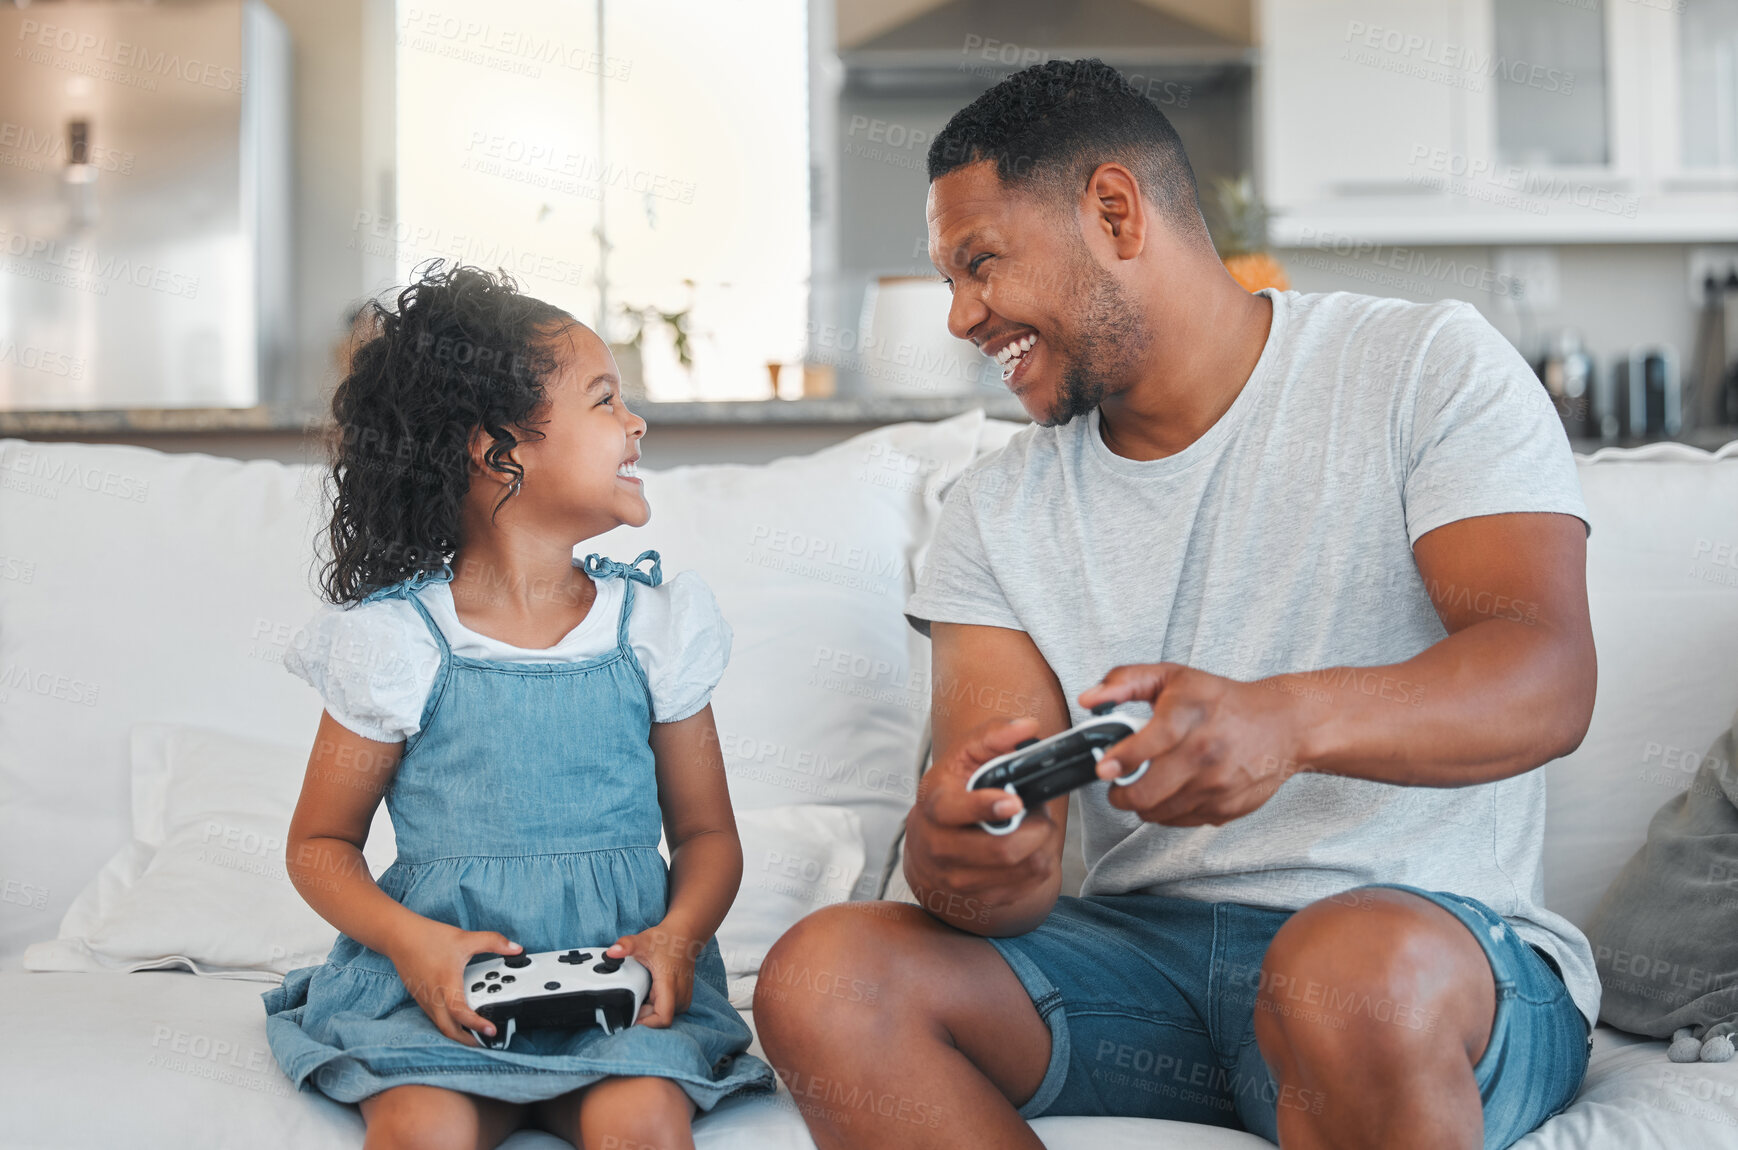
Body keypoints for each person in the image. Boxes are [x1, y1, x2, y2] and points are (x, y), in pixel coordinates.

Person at [755, 59, 1598, 1150]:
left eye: (979, 265)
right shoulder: (996, 509)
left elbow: (1544, 672)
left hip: (1425, 956)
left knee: (1344, 969)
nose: (963, 316)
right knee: (826, 975)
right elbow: (992, 875)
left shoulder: (1421, 368)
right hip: (1146, 966)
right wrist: (965, 855)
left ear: (1113, 211)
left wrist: (1283, 722)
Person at [262, 263, 774, 1150]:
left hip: (624, 1005)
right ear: (500, 447)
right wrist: (415, 949)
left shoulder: (655, 627)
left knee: (645, 1122)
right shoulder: (398, 643)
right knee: (422, 1127)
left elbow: (707, 837)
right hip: (442, 1001)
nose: (636, 422)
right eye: (606, 400)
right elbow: (319, 845)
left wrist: (680, 940)